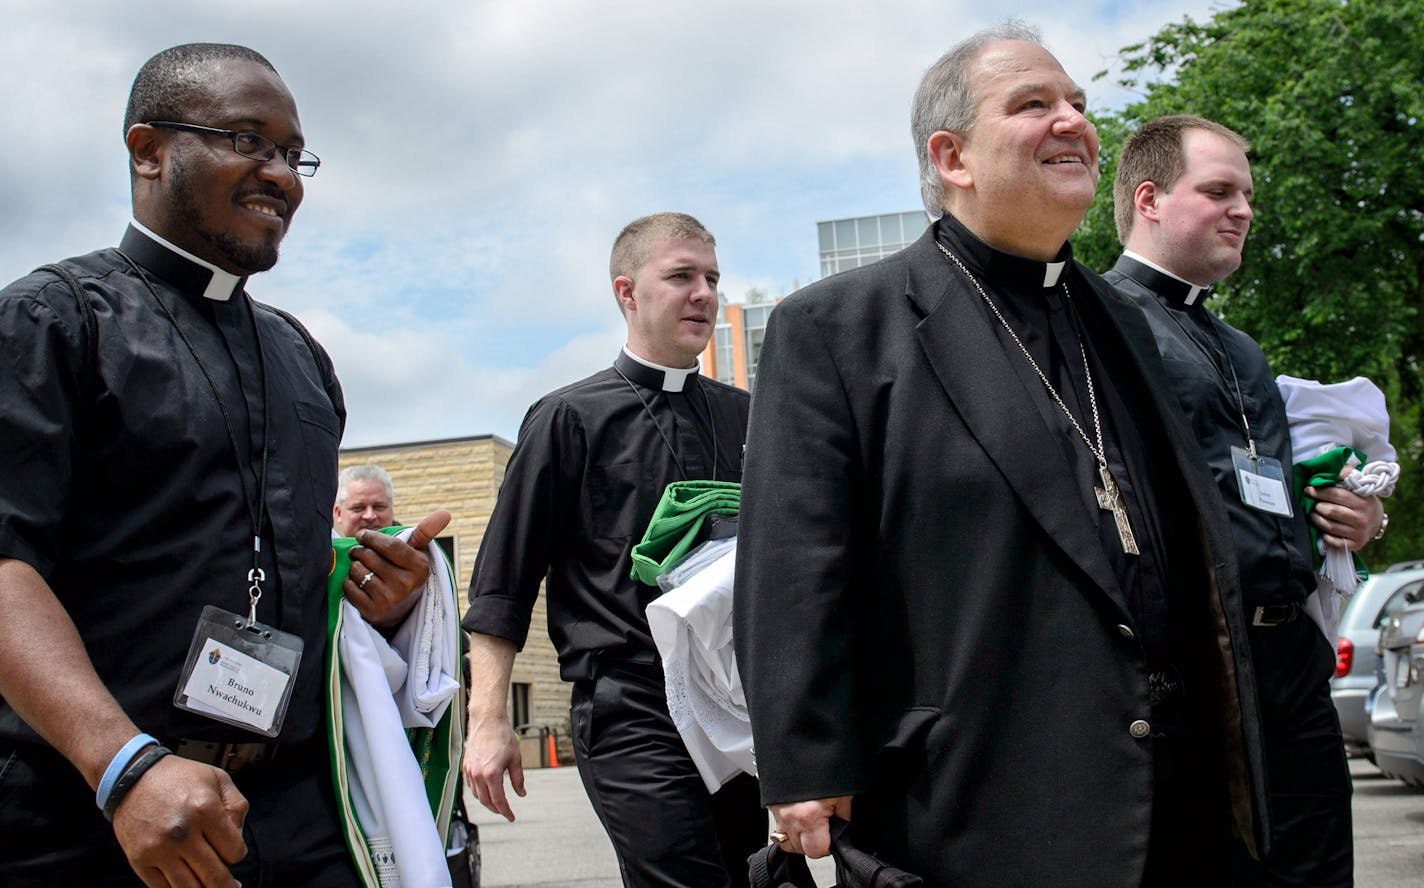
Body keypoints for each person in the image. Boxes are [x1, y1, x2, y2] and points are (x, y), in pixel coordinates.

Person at [734, 23, 1272, 886]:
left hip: (1175, 791)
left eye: (1078, 105)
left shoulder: (1125, 321)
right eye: (1033, 105)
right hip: (983, 791)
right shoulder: (838, 328)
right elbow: (793, 567)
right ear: (953, 157)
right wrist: (803, 766)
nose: (1073, 121)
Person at [0, 43, 448, 887]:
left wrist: (372, 600)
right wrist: (123, 766)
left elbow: (277, 559)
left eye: (292, 153)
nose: (280, 174)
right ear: (148, 150)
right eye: (247, 140)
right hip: (97, 809)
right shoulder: (51, 321)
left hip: (295, 812)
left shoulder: (302, 356)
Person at [1104, 114, 1383, 887]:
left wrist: (1357, 519)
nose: (1245, 210)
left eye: (1248, 195)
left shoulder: (1241, 348)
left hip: (1293, 662)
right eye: (1220, 190)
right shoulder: (1102, 325)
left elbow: (1278, 496)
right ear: (1151, 199)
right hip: (1199, 671)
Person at [462, 212, 764, 888]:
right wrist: (487, 722)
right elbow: (503, 583)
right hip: (630, 703)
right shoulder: (568, 418)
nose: (704, 294)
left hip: (735, 702)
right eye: (681, 276)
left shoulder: (748, 415)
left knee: (750, 877)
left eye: (712, 279)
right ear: (627, 292)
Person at [334, 464, 397, 537]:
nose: (370, 516)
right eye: (358, 508)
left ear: (392, 510)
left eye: (379, 507)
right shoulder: (324, 548)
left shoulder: (410, 546)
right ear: (339, 513)